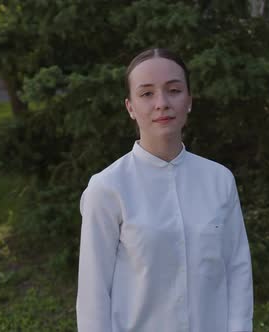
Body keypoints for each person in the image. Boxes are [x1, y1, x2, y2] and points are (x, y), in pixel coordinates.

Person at [76, 48, 254, 332]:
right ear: (130, 107)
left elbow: (237, 270)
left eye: (173, 90)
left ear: (189, 101)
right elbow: (93, 294)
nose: (162, 103)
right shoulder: (107, 187)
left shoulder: (219, 180)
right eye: (146, 93)